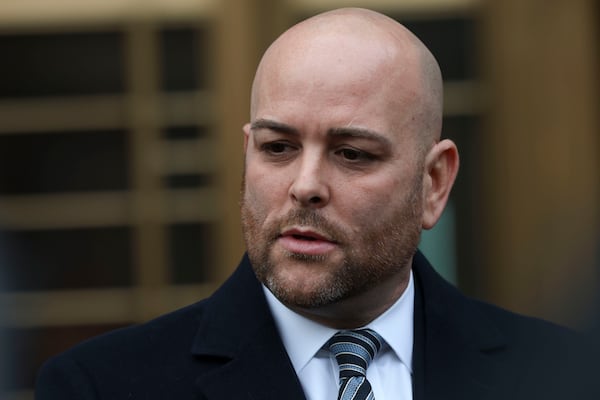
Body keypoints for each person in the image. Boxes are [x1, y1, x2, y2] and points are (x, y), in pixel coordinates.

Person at [35, 8, 597, 400]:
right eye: (277, 148)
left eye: (352, 154)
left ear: (434, 183)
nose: (305, 185)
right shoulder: (102, 387)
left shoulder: (566, 375)